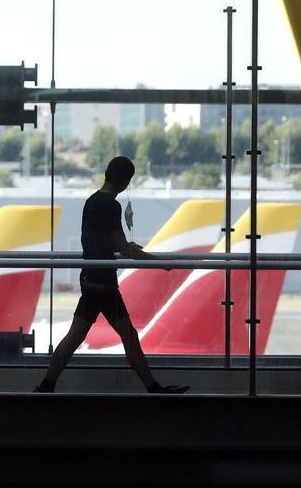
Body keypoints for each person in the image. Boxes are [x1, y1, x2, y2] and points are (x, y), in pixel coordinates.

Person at [35, 156, 189, 394]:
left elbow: (104, 241)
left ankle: (46, 387)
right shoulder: (110, 205)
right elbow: (122, 247)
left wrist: (125, 247)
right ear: (127, 182)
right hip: (103, 283)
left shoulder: (92, 201)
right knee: (116, 335)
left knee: (87, 335)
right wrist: (159, 263)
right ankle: (153, 388)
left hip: (92, 279)